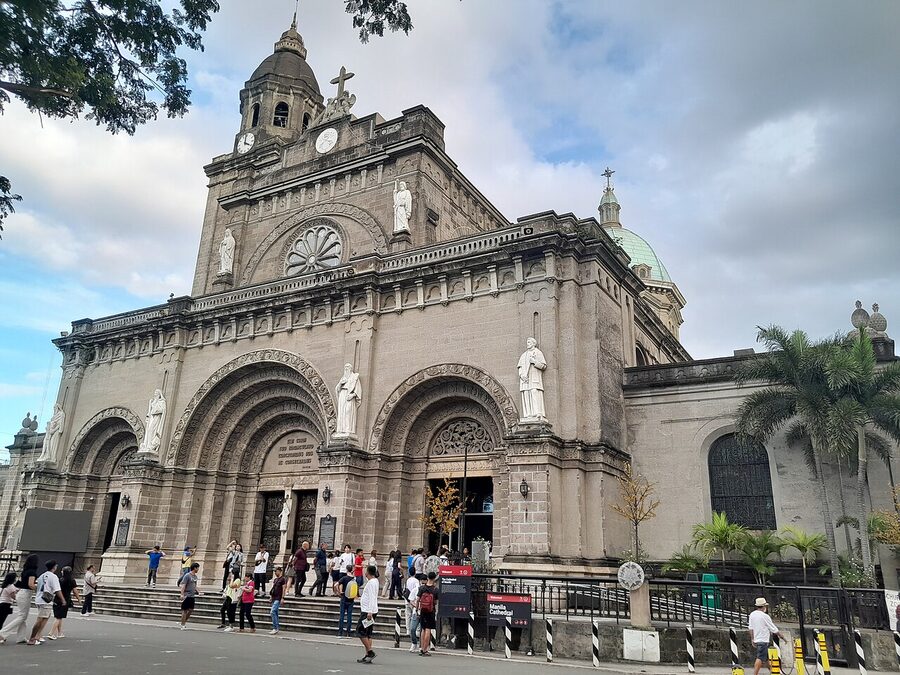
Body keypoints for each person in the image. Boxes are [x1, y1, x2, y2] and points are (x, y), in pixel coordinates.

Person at [0, 554, 38, 644]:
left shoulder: (24, 571)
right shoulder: (32, 572)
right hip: (26, 593)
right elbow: (31, 585)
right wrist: (39, 586)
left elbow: (19, 584)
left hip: (21, 593)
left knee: (23, 616)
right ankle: (3, 632)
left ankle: (21, 637)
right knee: (22, 616)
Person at [29, 560, 63, 646]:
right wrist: (63, 599)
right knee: (40, 619)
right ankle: (33, 637)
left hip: (39, 598)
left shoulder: (42, 576)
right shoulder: (53, 577)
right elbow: (57, 589)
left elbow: (37, 586)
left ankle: (38, 636)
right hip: (46, 600)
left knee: (45, 617)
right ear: (54, 567)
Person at [749, 597, 782, 675]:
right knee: (760, 658)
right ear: (764, 606)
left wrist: (752, 638)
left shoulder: (752, 614)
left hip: (757, 639)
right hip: (763, 640)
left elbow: (751, 628)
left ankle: (772, 671)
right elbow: (773, 628)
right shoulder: (765, 616)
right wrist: (782, 636)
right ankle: (755, 673)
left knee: (766, 658)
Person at [47, 566, 79, 639]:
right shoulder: (72, 580)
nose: (61, 572)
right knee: (59, 617)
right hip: (65, 599)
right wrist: (78, 599)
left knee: (59, 616)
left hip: (57, 598)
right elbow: (75, 591)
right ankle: (51, 633)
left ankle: (60, 633)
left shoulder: (60, 580)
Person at [357, 565, 379, 663]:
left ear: (368, 572)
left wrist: (369, 611)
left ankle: (370, 651)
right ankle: (367, 655)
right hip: (372, 610)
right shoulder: (375, 581)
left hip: (367, 611)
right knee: (368, 633)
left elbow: (372, 597)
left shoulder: (371, 583)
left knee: (360, 630)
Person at [416, 571, 439, 656]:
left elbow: (418, 599)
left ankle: (421, 648)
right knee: (428, 629)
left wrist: (416, 608)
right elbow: (435, 602)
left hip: (422, 610)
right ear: (434, 579)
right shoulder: (435, 590)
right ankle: (425, 649)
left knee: (423, 629)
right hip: (430, 611)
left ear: (428, 578)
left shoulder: (422, 588)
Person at [334, 564, 356, 638]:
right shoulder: (354, 579)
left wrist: (338, 592)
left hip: (344, 598)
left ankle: (340, 633)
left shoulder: (344, 578)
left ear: (346, 570)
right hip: (351, 599)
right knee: (349, 616)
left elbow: (336, 585)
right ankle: (348, 633)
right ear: (352, 570)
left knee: (342, 616)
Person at [178, 562, 200, 630]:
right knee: (185, 610)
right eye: (198, 568)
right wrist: (182, 594)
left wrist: (199, 592)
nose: (198, 569)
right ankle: (183, 624)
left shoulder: (195, 577)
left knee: (190, 610)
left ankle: (183, 621)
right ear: (195, 568)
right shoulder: (187, 575)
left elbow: (195, 585)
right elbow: (183, 585)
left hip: (192, 596)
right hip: (187, 595)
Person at [405, 572, 422, 652]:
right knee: (412, 628)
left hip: (425, 612)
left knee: (424, 630)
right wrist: (416, 605)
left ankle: (422, 646)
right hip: (416, 612)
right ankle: (414, 643)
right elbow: (411, 600)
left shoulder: (426, 590)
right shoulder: (416, 590)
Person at [269, 566, 287, 634]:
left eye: (276, 571)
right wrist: (271, 596)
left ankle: (275, 628)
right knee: (275, 612)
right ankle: (276, 627)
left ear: (279, 571)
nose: (275, 572)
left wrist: (283, 597)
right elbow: (273, 588)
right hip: (274, 597)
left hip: (278, 597)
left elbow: (283, 589)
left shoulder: (283, 579)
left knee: (272, 611)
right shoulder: (275, 579)